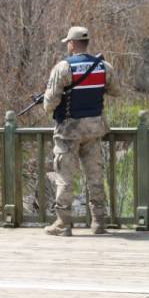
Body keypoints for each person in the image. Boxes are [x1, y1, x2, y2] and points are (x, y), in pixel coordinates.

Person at [42, 26, 121, 236]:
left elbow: (49, 103)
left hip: (68, 131)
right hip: (95, 129)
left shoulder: (63, 67)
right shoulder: (103, 66)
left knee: (64, 178)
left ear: (71, 43)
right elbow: (116, 91)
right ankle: (99, 222)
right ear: (87, 43)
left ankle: (63, 223)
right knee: (95, 176)